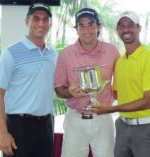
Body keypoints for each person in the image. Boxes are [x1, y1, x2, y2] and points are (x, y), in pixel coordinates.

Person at [93, 10, 150, 157]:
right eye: (121, 25)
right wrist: (92, 90)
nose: (125, 29)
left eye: (130, 25)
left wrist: (110, 109)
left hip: (145, 128)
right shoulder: (120, 62)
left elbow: (148, 101)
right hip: (122, 127)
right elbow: (118, 93)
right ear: (117, 30)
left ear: (139, 28)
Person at [0, 2, 56, 157]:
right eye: (36, 18)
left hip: (46, 125)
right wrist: (2, 133)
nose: (41, 23)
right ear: (27, 21)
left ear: (50, 23)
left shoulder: (52, 54)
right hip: (19, 126)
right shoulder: (11, 53)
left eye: (45, 19)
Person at [54, 8, 120, 157]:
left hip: (103, 119)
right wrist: (69, 92)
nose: (86, 30)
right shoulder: (66, 54)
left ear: (98, 27)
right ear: (76, 29)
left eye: (91, 24)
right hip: (75, 119)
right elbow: (59, 89)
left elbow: (121, 82)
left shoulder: (112, 51)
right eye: (81, 25)